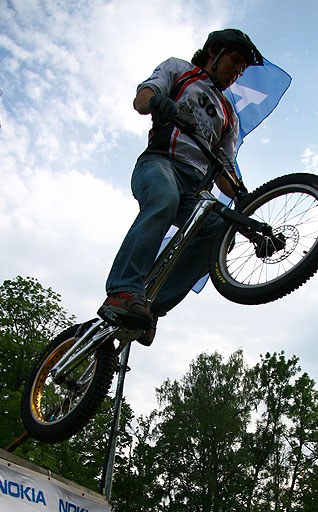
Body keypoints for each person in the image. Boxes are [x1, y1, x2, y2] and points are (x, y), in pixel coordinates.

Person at [97, 29, 263, 346]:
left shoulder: (229, 115)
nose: (236, 72)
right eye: (234, 61)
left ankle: (150, 307)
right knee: (164, 199)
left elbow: (225, 173)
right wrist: (158, 102)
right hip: (160, 164)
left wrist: (246, 212)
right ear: (214, 52)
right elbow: (142, 100)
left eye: (242, 70)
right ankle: (122, 290)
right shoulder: (180, 69)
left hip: (195, 188)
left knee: (218, 235)